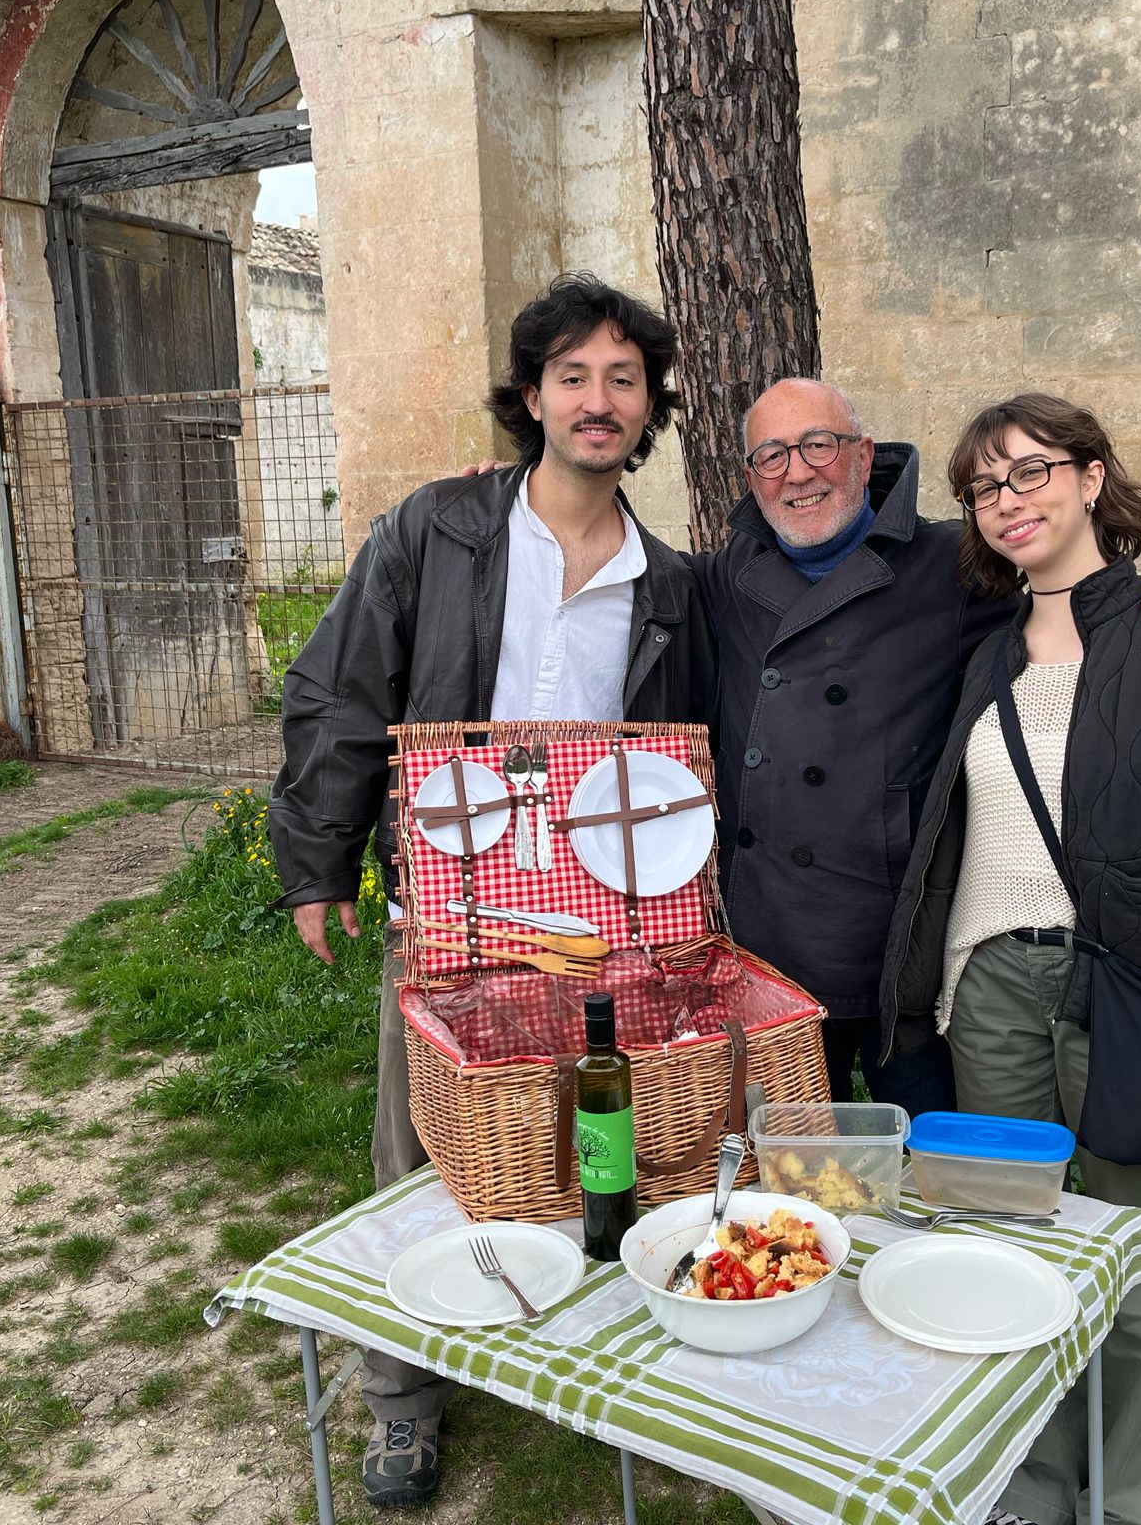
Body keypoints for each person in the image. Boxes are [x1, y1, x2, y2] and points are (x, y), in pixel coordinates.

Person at [266, 273, 713, 1509]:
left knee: (602, 1146)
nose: (598, 399)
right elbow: (343, 687)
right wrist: (318, 854)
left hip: (604, 928)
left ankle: (608, 1361)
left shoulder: (664, 580)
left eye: (624, 379)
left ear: (647, 408)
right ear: (532, 396)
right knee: (418, 1153)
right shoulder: (441, 530)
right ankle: (402, 1400)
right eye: (573, 375)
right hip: (453, 910)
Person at [879, 392, 1141, 1525]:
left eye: (1028, 473)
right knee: (1002, 1252)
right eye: (982, 487)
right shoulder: (983, 657)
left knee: (1136, 1263)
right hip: (989, 996)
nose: (1005, 501)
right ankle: (1030, 1485)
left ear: (1088, 477)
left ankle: (1130, 1501)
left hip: (1124, 990)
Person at [699, 378, 1141, 1114]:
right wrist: (503, 500)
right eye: (771, 455)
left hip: (897, 940)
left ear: (862, 455)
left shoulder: (954, 565)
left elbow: (1066, 599)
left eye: (818, 445)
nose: (797, 471)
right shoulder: (724, 576)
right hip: (770, 937)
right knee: (784, 1166)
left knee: (939, 1168)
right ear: (750, 477)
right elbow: (624, 573)